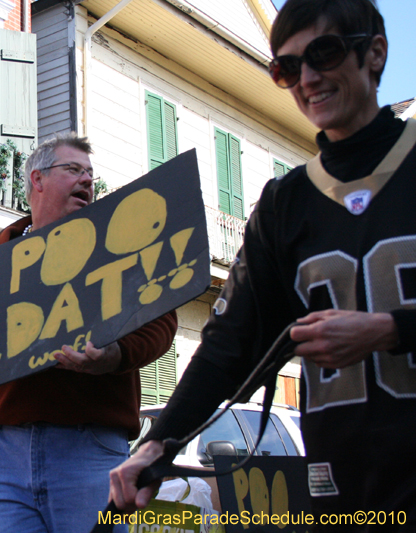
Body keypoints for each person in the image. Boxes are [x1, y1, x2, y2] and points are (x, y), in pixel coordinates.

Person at [109, 0, 416, 530]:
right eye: (287, 67)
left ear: (375, 53)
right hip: (346, 496)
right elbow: (230, 345)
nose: (308, 78)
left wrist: (388, 329)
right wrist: (158, 444)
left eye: (324, 53)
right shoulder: (284, 202)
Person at [0, 132, 178, 533]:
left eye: (90, 175)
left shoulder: (120, 247)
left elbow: (162, 322)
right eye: (73, 170)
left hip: (91, 451)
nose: (86, 181)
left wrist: (114, 355)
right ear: (37, 179)